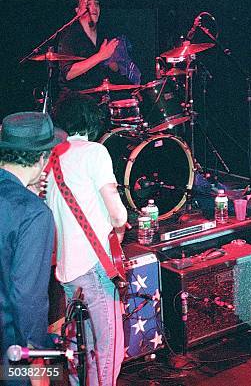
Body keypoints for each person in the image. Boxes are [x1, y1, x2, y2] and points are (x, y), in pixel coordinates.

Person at [45, 93, 128, 386]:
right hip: (94, 267)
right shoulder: (95, 152)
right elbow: (118, 215)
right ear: (92, 121)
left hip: (67, 271)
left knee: (81, 352)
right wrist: (118, 230)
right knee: (107, 353)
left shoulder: (52, 158)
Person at [0, 112, 66, 385]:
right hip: (12, 351)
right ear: (43, 158)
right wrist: (38, 357)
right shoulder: (34, 214)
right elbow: (27, 297)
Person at [57, 0, 138, 94]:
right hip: (75, 100)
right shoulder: (69, 36)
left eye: (96, 3)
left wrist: (114, 63)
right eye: (88, 4)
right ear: (77, 10)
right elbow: (68, 74)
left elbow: (113, 70)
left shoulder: (103, 35)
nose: (94, 7)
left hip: (98, 97)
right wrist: (100, 56)